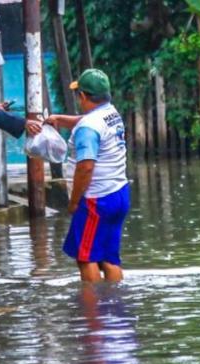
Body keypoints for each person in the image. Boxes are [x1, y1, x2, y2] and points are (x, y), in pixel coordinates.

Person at [46, 69, 130, 282]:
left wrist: (74, 202)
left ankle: (92, 312)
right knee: (109, 258)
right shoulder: (111, 113)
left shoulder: (88, 128)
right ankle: (115, 305)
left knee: (85, 258)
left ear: (83, 96)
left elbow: (85, 167)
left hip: (96, 200)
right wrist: (60, 120)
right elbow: (87, 121)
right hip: (118, 194)